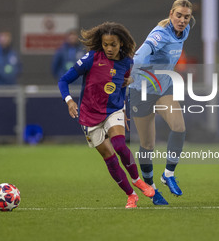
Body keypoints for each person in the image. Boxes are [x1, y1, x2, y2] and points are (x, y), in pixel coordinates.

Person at [58, 22, 155, 208]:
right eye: (105, 44)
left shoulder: (127, 62)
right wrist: (69, 101)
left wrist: (124, 109)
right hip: (88, 115)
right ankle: (131, 195)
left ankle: (137, 180)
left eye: (113, 45)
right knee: (109, 157)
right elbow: (63, 81)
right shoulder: (91, 58)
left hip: (113, 110)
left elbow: (122, 85)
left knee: (119, 144)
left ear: (121, 44)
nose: (109, 49)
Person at [129, 0, 195, 205]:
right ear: (171, 13)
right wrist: (131, 73)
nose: (182, 20)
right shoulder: (159, 35)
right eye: (178, 15)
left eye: (186, 16)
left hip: (164, 88)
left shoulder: (185, 30)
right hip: (141, 90)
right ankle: (151, 188)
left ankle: (168, 174)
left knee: (179, 127)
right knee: (147, 144)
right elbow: (139, 57)